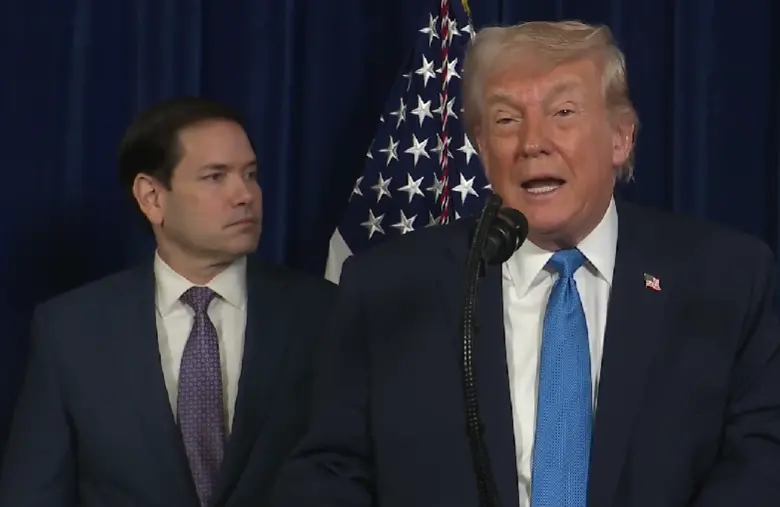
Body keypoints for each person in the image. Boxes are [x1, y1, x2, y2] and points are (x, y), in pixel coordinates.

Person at [271, 20, 780, 507]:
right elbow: (331, 471)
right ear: (481, 148)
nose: (533, 143)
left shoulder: (725, 279)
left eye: (563, 113)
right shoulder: (389, 289)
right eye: (507, 120)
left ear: (621, 139)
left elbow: (761, 458)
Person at [0, 97, 336, 507]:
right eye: (216, 177)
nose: (245, 194)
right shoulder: (70, 331)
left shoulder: (324, 314)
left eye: (251, 174)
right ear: (152, 198)